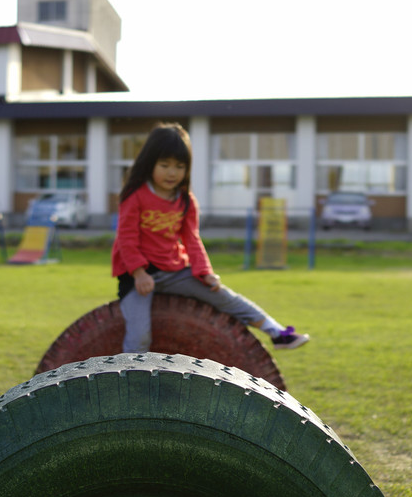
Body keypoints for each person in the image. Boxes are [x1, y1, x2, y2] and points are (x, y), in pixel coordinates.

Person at [111, 122, 309, 353]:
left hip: (174, 271)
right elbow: (126, 238)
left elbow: (192, 239)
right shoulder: (135, 196)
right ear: (149, 163)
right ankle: (130, 382)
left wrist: (205, 273)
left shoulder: (185, 200)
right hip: (137, 277)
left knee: (224, 296)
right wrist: (139, 273)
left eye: (179, 166)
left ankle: (277, 333)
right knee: (139, 336)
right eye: (164, 165)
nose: (172, 172)